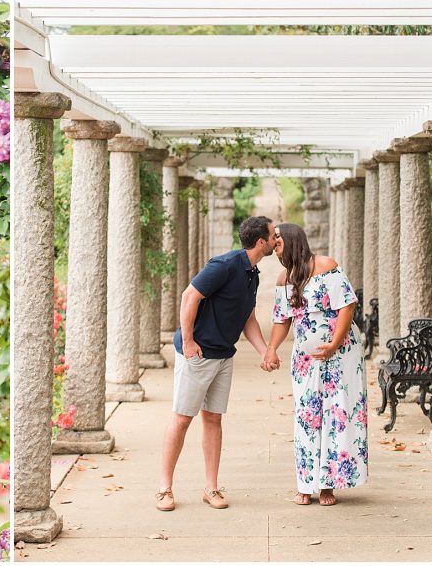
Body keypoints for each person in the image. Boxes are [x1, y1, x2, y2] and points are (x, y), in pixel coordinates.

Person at [156, 215, 276, 512]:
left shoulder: (253, 273)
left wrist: (264, 350)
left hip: (224, 355)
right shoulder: (224, 265)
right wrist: (189, 342)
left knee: (213, 419)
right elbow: (189, 296)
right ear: (261, 242)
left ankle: (211, 488)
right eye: (274, 235)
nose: (277, 239)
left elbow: (247, 317)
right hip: (198, 354)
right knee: (183, 419)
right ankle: (164, 489)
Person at [262, 222, 369, 506]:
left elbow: (347, 304)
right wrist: (271, 349)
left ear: (293, 239)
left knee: (336, 416)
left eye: (278, 240)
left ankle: (327, 487)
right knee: (307, 416)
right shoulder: (284, 279)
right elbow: (281, 319)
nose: (275, 245)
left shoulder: (325, 266)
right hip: (305, 360)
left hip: (341, 355)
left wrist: (334, 343)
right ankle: (304, 484)